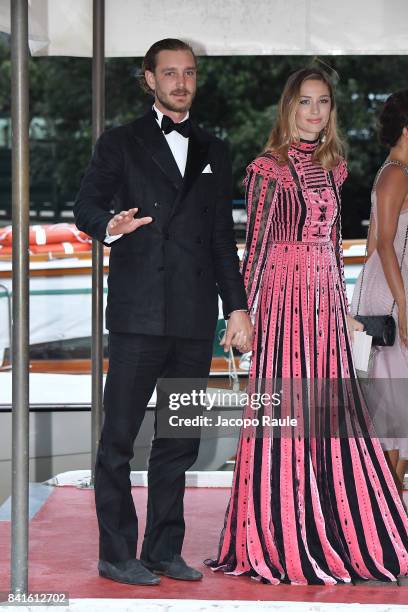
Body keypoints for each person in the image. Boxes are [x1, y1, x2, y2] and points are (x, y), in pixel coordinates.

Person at [205, 68, 408, 585]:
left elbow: (335, 243)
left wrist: (341, 305)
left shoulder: (335, 168)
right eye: (304, 102)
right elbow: (257, 247)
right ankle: (283, 532)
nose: (314, 112)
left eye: (323, 103)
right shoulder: (267, 171)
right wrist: (241, 314)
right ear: (287, 108)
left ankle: (332, 527)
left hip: (323, 304)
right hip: (282, 302)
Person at [74, 38, 252, 586]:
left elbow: (222, 238)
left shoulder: (214, 149)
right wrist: (110, 225)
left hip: (194, 318)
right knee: (119, 439)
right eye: (169, 73)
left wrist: (237, 308)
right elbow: (85, 206)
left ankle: (163, 550)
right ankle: (116, 552)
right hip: (137, 314)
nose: (180, 82)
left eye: (189, 73)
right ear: (149, 79)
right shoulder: (120, 143)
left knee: (179, 441)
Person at [351, 90, 408, 501]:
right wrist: (402, 304)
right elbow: (385, 243)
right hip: (392, 295)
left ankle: (388, 507)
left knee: (396, 403)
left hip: (391, 290)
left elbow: (374, 241)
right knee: (394, 404)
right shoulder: (396, 172)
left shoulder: (398, 169)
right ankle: (386, 511)